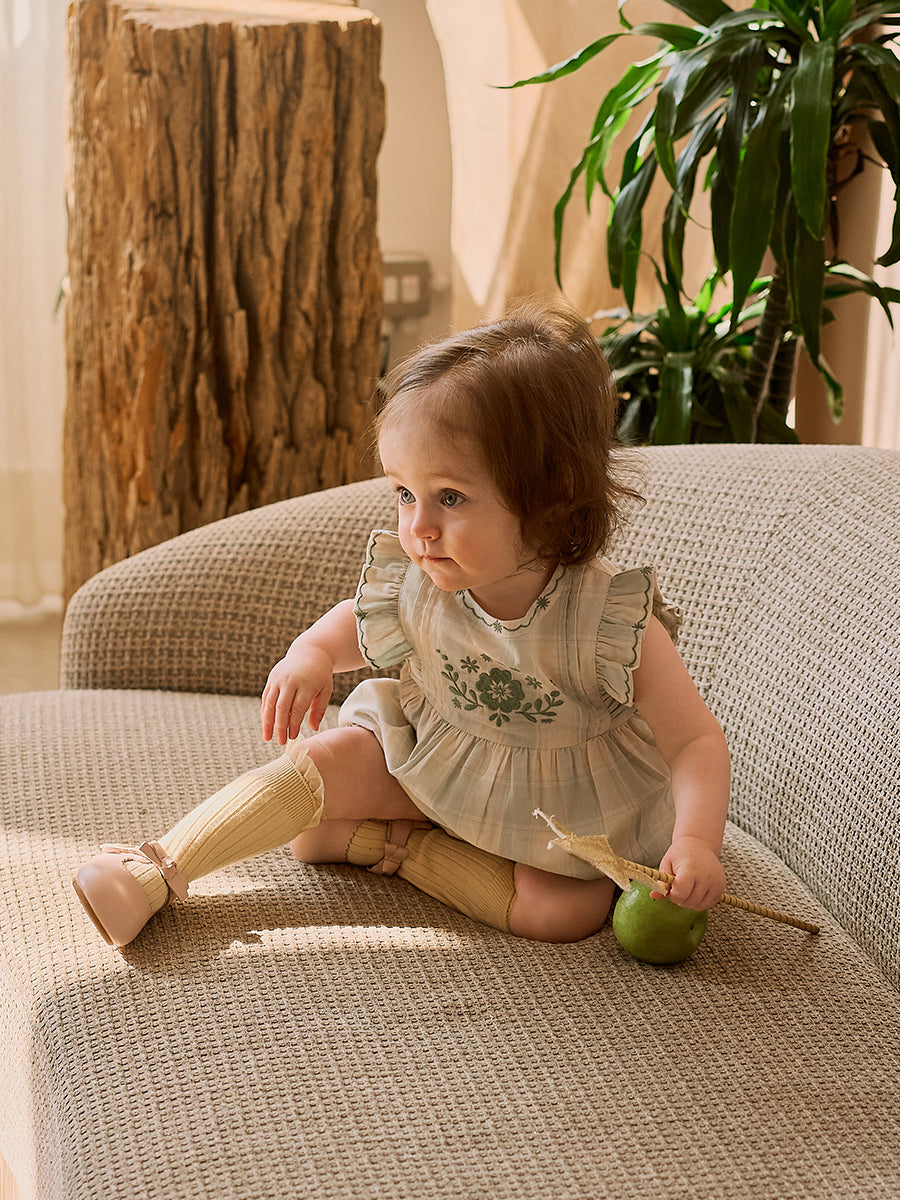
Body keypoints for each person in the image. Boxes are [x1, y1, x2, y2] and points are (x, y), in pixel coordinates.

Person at [73, 300, 730, 950]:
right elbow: (350, 626)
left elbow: (694, 742)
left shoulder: (609, 621)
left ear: (550, 497)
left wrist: (696, 842)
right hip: (430, 759)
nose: (419, 527)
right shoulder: (423, 579)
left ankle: (387, 845)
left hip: (553, 814)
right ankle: (155, 870)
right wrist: (310, 655)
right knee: (320, 762)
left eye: (450, 497)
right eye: (404, 493)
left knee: (564, 911)